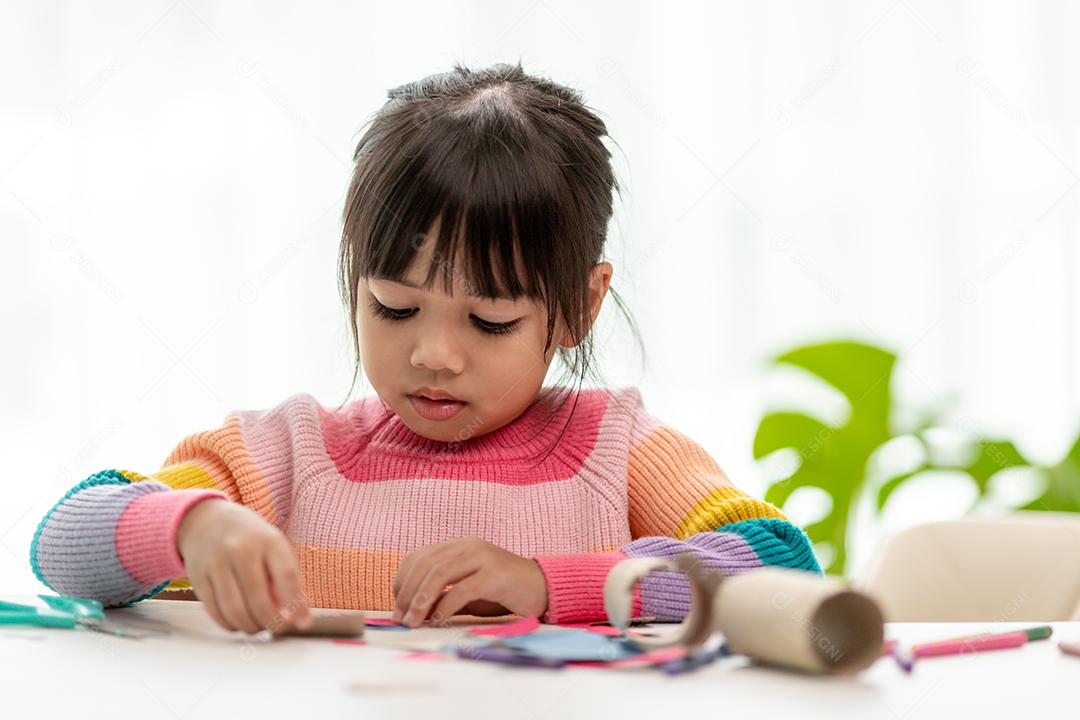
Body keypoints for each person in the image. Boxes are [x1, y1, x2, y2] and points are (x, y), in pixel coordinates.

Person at [30, 62, 820, 636]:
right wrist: (188, 525)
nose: (435, 354)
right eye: (395, 306)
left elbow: (781, 563)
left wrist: (549, 582)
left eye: (490, 321)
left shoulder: (617, 449)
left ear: (580, 306)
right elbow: (63, 542)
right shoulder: (289, 453)